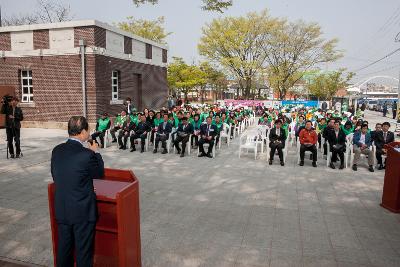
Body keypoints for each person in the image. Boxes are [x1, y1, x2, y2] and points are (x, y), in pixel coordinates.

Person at [51, 116, 104, 267]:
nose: (89, 133)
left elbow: (57, 176)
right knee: (83, 253)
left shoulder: (57, 150)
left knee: (64, 250)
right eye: (88, 130)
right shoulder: (87, 155)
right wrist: (96, 152)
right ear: (82, 132)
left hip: (62, 208)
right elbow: (99, 173)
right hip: (82, 212)